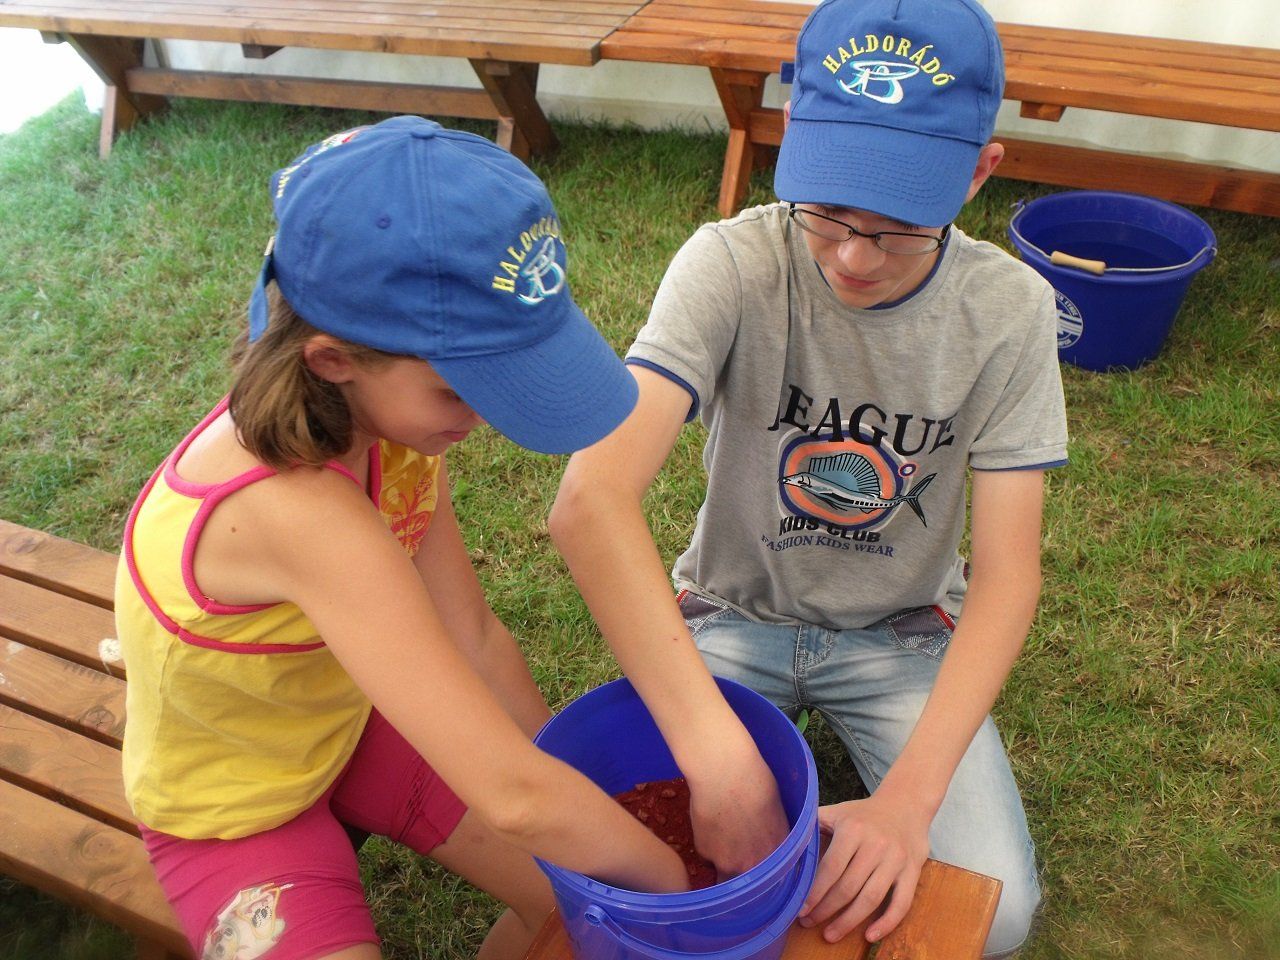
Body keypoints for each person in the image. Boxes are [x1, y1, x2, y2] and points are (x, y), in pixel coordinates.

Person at [551, 0, 1068, 955]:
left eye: (901, 224)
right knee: (611, 852)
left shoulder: (1011, 310)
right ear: (791, 138)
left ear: (981, 168)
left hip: (903, 636)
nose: (854, 257)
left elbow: (1008, 572)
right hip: (727, 614)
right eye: (828, 211)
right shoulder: (731, 262)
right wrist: (720, 762)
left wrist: (909, 803)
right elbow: (590, 499)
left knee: (992, 916)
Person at [115, 116, 695, 960]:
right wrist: (670, 880)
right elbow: (512, 796)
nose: (487, 418)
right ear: (330, 361)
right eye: (463, 390)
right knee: (624, 888)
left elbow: (476, 637)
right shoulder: (297, 515)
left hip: (349, 729)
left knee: (593, 901)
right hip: (233, 814)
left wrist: (579, 788)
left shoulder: (395, 434)